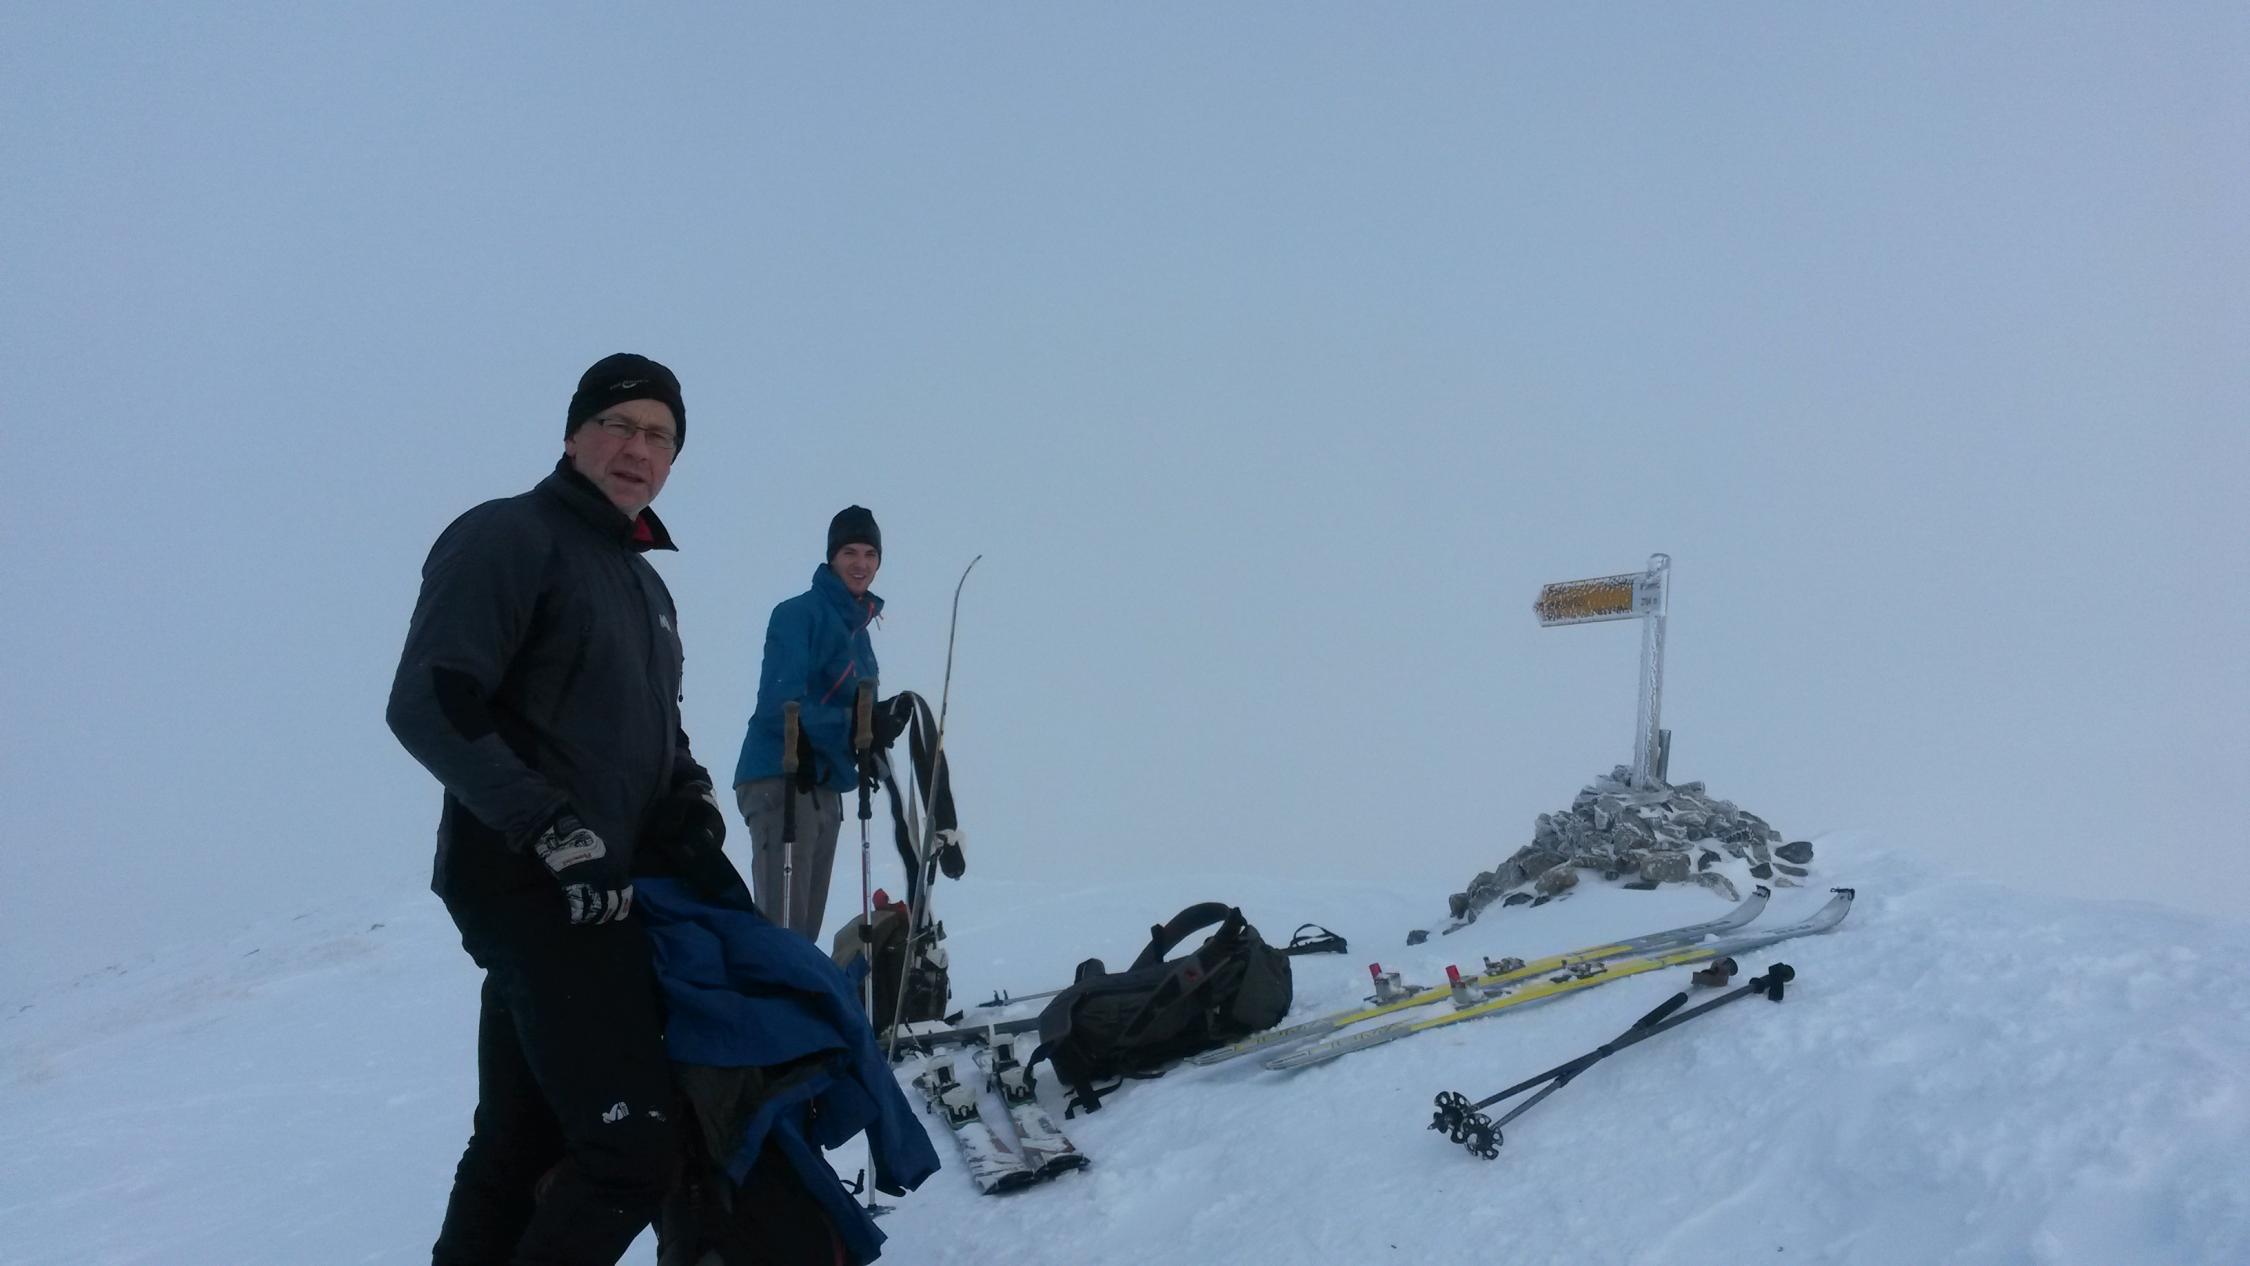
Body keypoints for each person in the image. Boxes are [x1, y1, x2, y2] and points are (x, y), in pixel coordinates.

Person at [387, 353, 728, 1266]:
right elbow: (432, 700)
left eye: (660, 437)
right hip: (532, 879)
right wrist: (551, 828)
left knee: (520, 1143)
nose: (638, 449)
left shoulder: (646, 588)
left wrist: (690, 798)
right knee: (631, 1152)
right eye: (620, 425)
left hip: (605, 891)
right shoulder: (509, 535)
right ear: (574, 435)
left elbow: (659, 738)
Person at [732, 506, 908, 938]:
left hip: (825, 782)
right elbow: (780, 703)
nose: (861, 564)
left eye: (870, 554)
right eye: (850, 552)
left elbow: (855, 710)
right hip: (781, 774)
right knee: (782, 928)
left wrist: (874, 727)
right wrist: (853, 726)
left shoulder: (858, 632)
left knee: (803, 932)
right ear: (832, 557)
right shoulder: (798, 614)